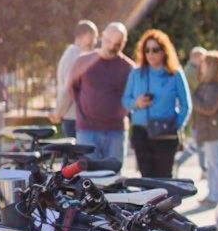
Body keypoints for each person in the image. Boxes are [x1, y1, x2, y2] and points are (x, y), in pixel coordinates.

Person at [56, 22, 135, 167]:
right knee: (89, 179)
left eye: (117, 44)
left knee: (114, 179)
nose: (112, 47)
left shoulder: (129, 68)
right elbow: (72, 88)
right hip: (87, 131)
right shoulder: (82, 61)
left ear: (124, 43)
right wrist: (89, 104)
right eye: (109, 41)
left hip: (116, 132)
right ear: (102, 36)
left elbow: (133, 96)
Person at [122, 29, 191, 178]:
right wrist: (137, 103)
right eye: (146, 50)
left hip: (165, 132)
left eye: (155, 50)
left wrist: (175, 125)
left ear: (164, 51)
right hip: (141, 132)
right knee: (146, 178)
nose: (150, 54)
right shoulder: (136, 73)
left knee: (164, 178)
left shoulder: (175, 74)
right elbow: (125, 101)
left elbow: (186, 105)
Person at [192, 51, 218, 206]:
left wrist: (193, 99)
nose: (201, 66)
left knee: (216, 162)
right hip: (208, 128)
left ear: (211, 66)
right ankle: (213, 193)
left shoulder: (215, 86)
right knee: (212, 162)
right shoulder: (209, 84)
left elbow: (208, 107)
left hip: (213, 128)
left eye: (204, 63)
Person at [52, 20, 97, 137]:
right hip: (74, 118)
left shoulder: (75, 55)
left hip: (75, 117)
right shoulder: (74, 57)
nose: (95, 42)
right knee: (78, 154)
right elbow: (69, 88)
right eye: (93, 37)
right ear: (84, 36)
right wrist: (59, 113)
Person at [177, 47, 208, 176]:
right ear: (195, 57)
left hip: (197, 113)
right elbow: (201, 88)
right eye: (202, 58)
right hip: (196, 114)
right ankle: (178, 162)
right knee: (198, 144)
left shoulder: (192, 70)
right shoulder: (191, 72)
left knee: (200, 144)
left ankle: (204, 169)